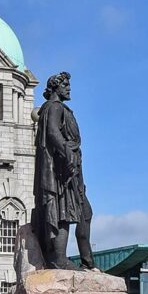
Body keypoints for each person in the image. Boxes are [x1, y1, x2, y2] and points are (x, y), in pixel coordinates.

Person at [33, 72, 95, 270]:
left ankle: (87, 263)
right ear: (55, 87)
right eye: (65, 85)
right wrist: (67, 153)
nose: (69, 88)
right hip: (62, 172)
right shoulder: (55, 107)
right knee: (64, 211)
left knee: (83, 212)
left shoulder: (55, 108)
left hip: (71, 171)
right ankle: (59, 258)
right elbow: (52, 132)